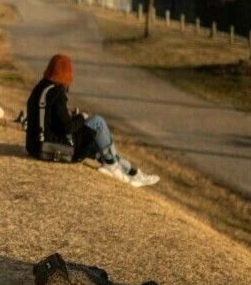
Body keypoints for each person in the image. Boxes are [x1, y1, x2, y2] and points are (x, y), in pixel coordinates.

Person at [25, 54, 158, 187]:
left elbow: (50, 119)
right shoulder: (56, 94)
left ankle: (132, 173)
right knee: (98, 122)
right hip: (53, 147)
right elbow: (66, 128)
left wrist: (71, 116)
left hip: (35, 146)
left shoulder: (40, 88)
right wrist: (82, 117)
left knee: (100, 146)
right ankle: (114, 167)